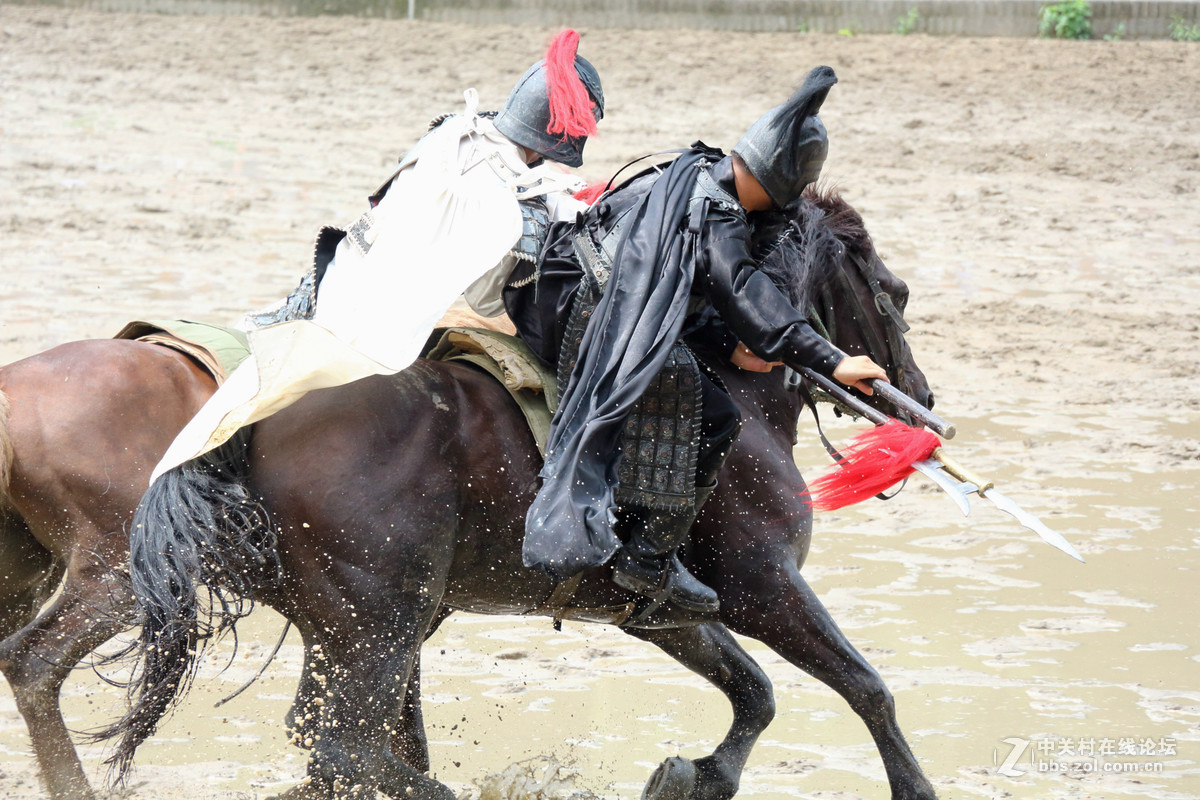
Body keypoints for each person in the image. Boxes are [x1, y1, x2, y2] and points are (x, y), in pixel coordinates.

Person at [510, 65, 887, 614]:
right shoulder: (716, 214)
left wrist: (725, 343)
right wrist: (831, 360)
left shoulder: (699, 170)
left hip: (572, 286)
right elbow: (741, 287)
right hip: (584, 312)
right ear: (775, 180)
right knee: (715, 414)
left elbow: (676, 281)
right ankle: (648, 559)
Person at [149, 30, 604, 482]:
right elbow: (486, 301)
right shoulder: (509, 210)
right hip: (378, 340)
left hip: (330, 286)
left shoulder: (450, 133)